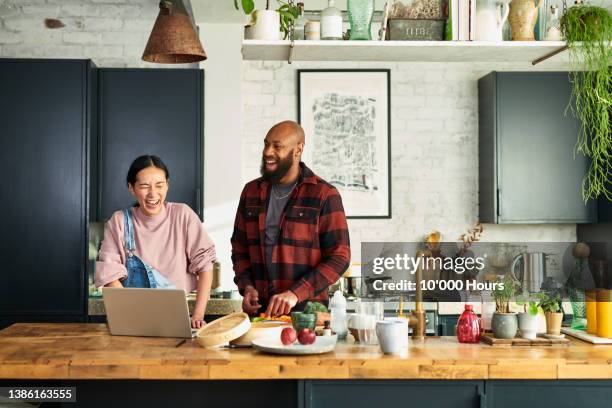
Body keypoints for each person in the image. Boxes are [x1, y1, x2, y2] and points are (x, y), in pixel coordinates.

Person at [231, 121, 351, 317]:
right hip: (261, 316)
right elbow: (239, 248)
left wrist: (296, 293)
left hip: (308, 316)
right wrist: (247, 287)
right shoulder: (251, 192)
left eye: (277, 146)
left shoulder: (324, 194)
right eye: (266, 144)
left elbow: (340, 257)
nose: (267, 152)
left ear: (298, 149)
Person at [95, 155, 216, 328]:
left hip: (177, 318)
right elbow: (110, 274)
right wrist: (131, 317)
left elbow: (205, 266)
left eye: (159, 185)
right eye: (144, 186)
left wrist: (197, 315)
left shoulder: (183, 215)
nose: (153, 193)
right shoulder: (120, 221)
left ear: (167, 185)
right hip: (131, 318)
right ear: (131, 187)